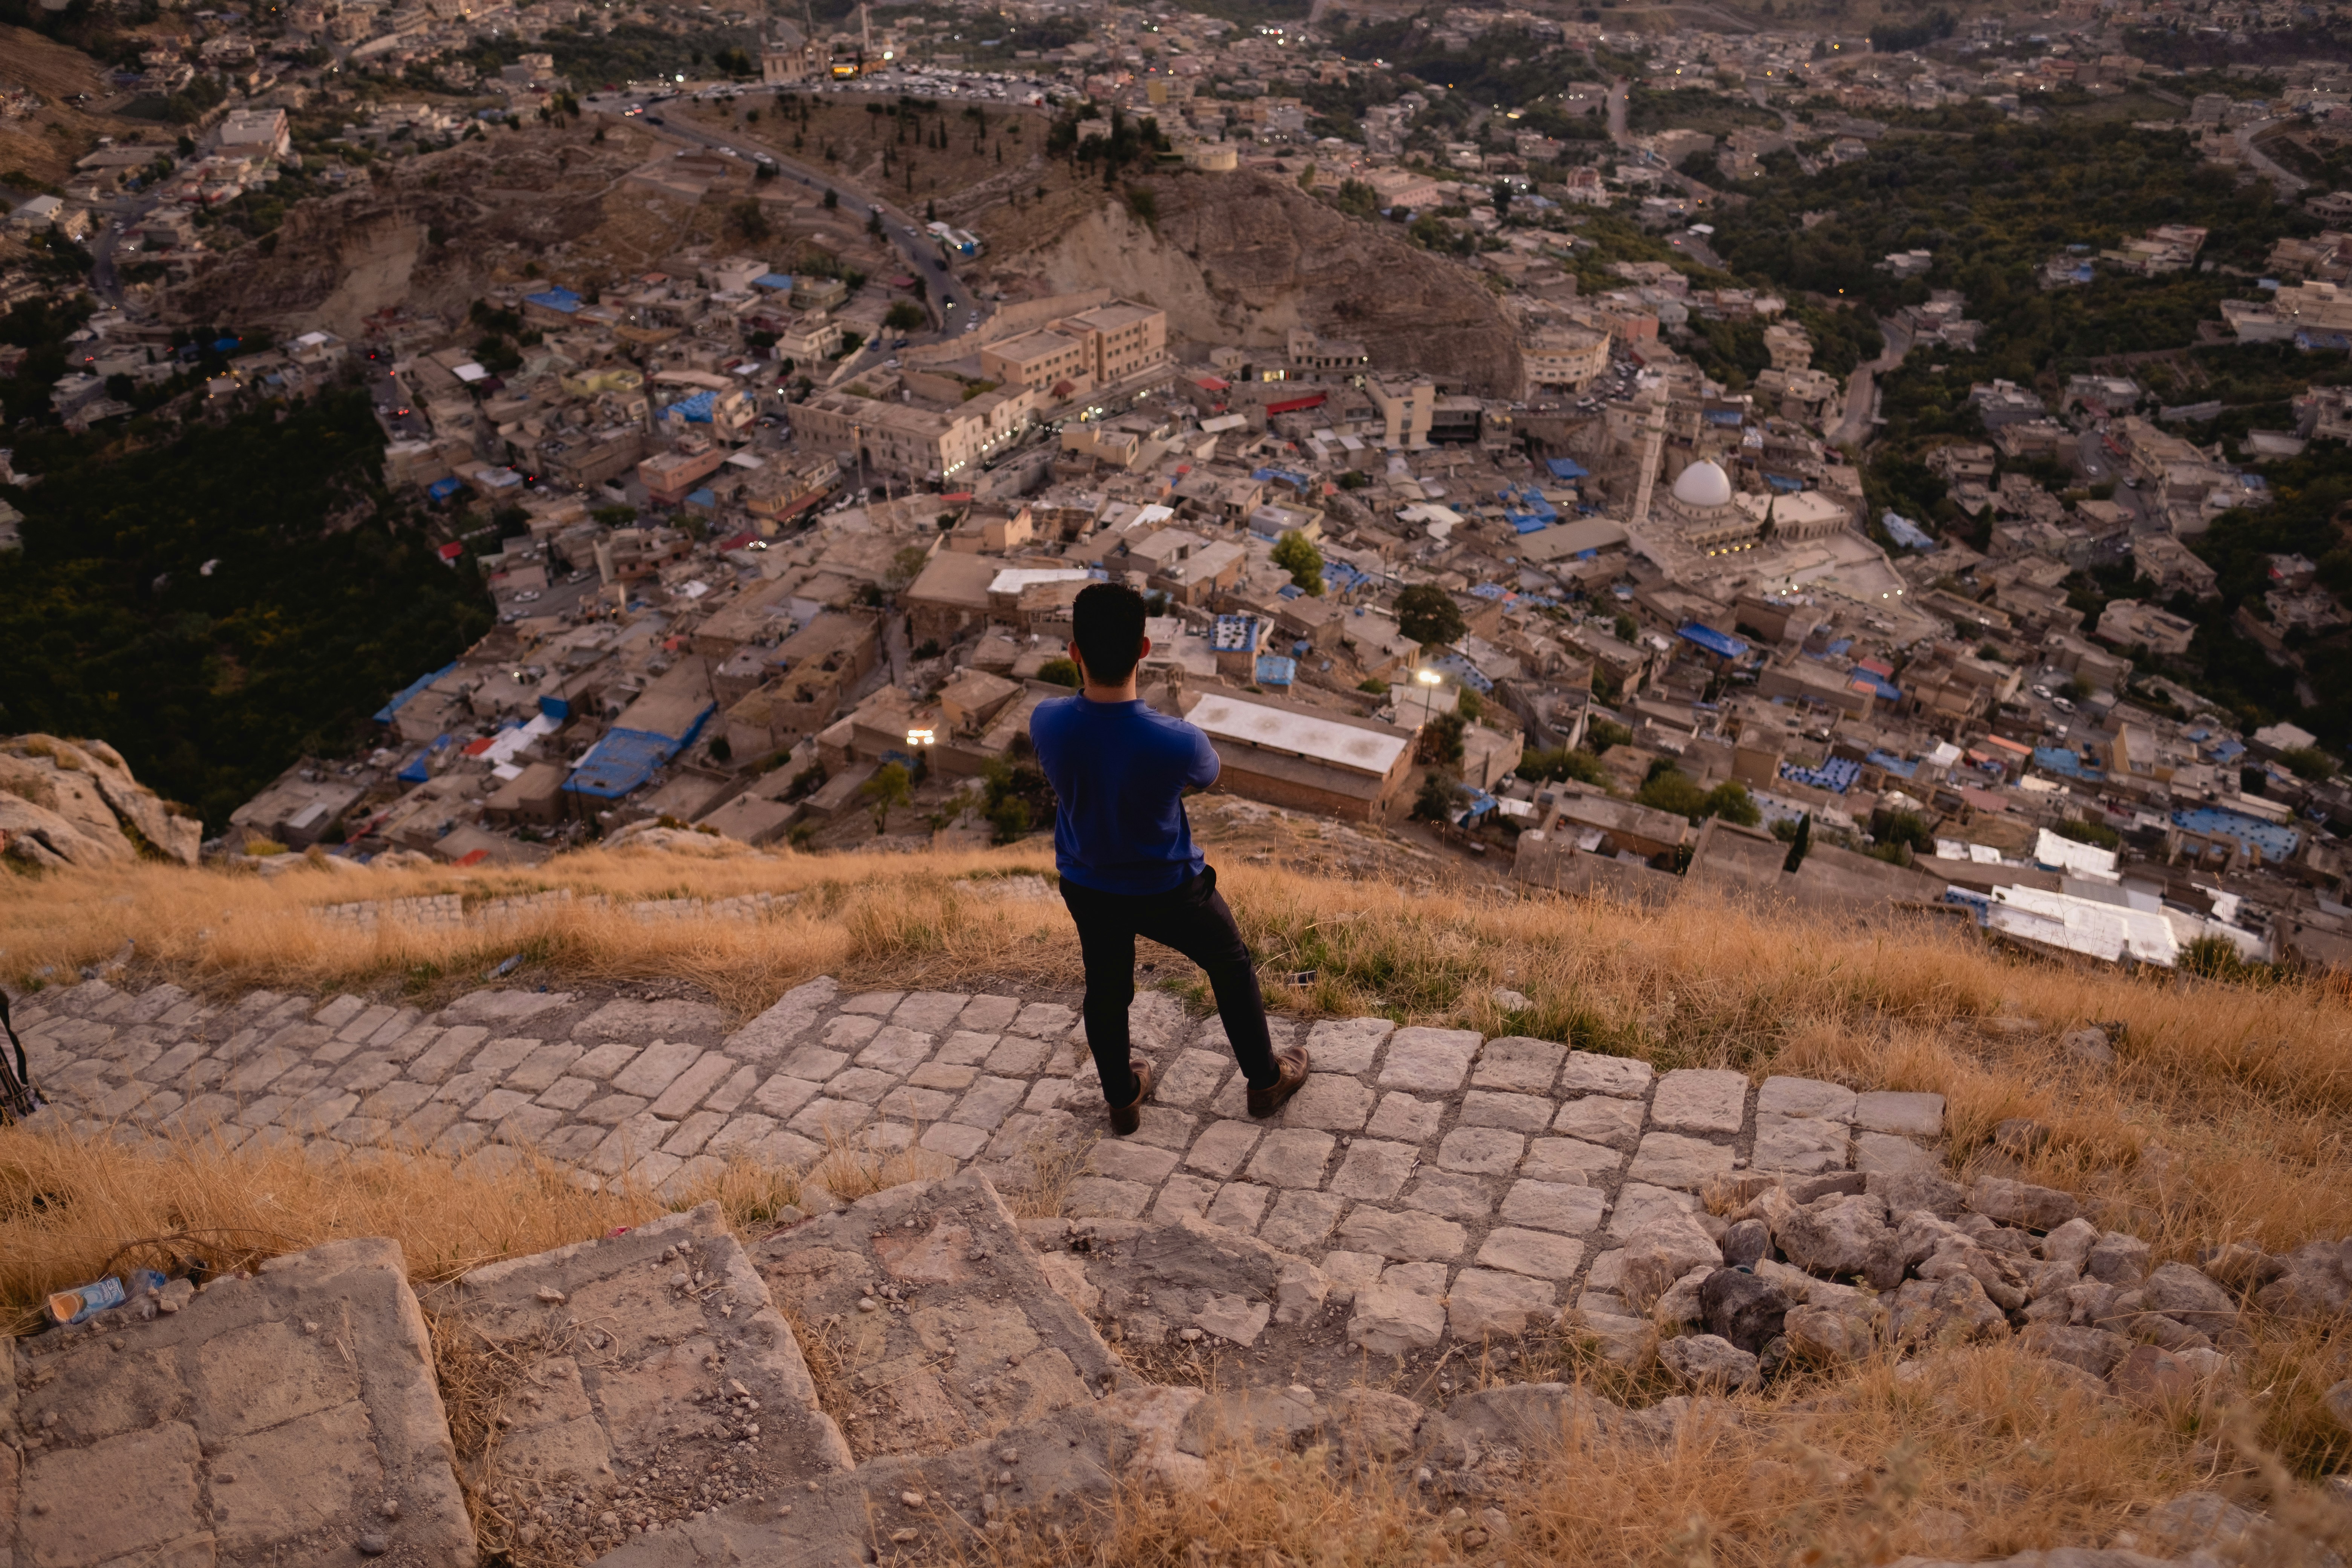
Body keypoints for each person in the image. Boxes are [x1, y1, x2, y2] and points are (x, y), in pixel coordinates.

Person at [1030, 582, 1309, 1135]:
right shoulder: (1177, 740)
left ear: (1074, 652)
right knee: (1230, 966)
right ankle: (1264, 1080)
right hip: (1168, 885)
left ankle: (1122, 1098)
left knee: (1107, 988)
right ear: (1146, 649)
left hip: (1087, 883)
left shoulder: (1047, 721)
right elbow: (1207, 777)